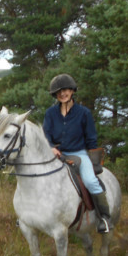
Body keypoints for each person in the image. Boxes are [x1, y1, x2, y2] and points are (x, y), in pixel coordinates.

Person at [42, 74, 111, 233]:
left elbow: (91, 138)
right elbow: (46, 134)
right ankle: (29, 215)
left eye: (65, 90)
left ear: (72, 90)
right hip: (56, 154)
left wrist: (93, 160)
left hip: (79, 154)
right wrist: (51, 146)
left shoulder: (84, 113)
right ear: (55, 94)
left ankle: (104, 218)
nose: (62, 94)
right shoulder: (50, 113)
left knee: (90, 181)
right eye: (58, 92)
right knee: (39, 178)